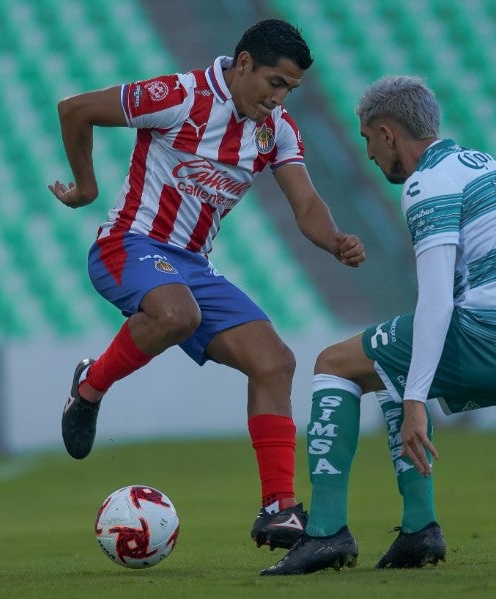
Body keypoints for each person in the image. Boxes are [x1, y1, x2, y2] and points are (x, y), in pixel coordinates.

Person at [48, 19, 365, 551]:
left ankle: (279, 510)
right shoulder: (181, 95)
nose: (280, 97)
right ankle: (90, 387)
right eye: (275, 83)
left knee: (275, 362)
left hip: (191, 265)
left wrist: (334, 240)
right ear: (243, 64)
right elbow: (74, 109)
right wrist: (86, 186)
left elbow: (306, 204)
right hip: (129, 244)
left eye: (290, 88)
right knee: (178, 315)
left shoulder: (276, 129)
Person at [262, 76, 496, 575]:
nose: (369, 156)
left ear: (387, 134)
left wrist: (416, 400)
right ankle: (419, 530)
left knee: (333, 364)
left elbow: (436, 299)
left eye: (366, 141)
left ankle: (325, 534)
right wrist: (409, 389)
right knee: (386, 368)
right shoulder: (484, 165)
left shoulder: (428, 182)